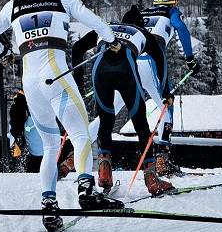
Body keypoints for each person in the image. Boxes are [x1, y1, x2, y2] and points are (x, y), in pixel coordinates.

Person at [0, 0, 119, 232]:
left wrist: (2, 52)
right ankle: (86, 189)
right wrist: (110, 39)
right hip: (56, 74)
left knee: (50, 146)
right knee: (79, 135)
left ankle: (49, 204)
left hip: (29, 82)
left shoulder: (14, 4)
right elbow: (96, 22)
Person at [74, 23, 176, 197]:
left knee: (106, 120)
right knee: (140, 124)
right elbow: (160, 58)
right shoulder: (142, 32)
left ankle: (104, 171)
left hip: (100, 70)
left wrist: (79, 84)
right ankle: (151, 178)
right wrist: (165, 91)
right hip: (126, 68)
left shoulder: (106, 26)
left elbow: (77, 48)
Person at [122, 0, 198, 176]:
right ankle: (163, 159)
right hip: (149, 63)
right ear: (173, 1)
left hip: (128, 61)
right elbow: (181, 28)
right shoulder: (170, 13)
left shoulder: (144, 13)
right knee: (167, 105)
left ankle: (74, 155)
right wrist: (190, 59)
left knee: (108, 112)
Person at [9, 90, 43, 173]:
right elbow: (16, 127)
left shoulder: (21, 103)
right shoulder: (21, 104)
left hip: (33, 148)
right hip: (32, 149)